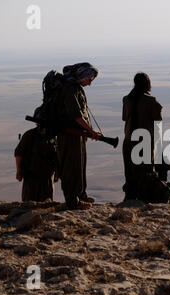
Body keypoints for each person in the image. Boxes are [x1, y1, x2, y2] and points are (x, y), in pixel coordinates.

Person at [56, 62, 101, 210]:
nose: (90, 83)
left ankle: (81, 195)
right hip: (69, 136)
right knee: (71, 168)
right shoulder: (69, 89)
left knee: (80, 165)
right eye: (89, 79)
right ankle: (72, 200)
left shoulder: (77, 88)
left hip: (78, 135)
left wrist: (89, 131)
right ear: (83, 75)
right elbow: (76, 115)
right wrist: (91, 131)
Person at [122, 72, 163, 201]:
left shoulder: (127, 99)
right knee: (145, 171)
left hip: (129, 140)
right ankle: (144, 196)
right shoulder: (151, 101)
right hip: (144, 141)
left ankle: (130, 195)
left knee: (129, 171)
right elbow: (158, 121)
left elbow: (125, 118)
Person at [14, 107, 57, 202]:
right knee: (28, 204)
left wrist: (57, 173)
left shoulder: (53, 137)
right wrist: (19, 171)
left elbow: (57, 156)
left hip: (47, 177)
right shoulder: (29, 135)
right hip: (31, 177)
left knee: (46, 204)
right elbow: (18, 153)